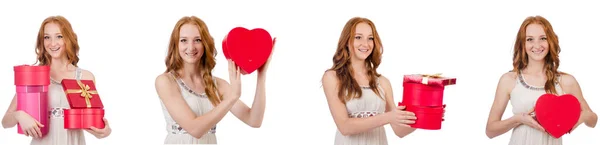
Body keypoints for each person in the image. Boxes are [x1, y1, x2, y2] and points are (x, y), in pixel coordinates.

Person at [155, 16, 273, 144]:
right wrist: (232, 97)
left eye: (197, 40)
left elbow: (254, 120)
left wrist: (261, 75)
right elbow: (195, 129)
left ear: (205, 44)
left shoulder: (219, 85)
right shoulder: (165, 81)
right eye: (183, 40)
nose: (191, 47)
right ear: (175, 44)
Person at [485, 15, 598, 145]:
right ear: (522, 44)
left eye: (543, 38)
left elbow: (593, 121)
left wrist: (583, 115)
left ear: (550, 41)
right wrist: (519, 119)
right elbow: (490, 131)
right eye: (530, 39)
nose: (537, 45)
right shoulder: (509, 80)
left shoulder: (566, 81)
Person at [2, 15, 112, 145]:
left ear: (68, 38)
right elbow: (5, 122)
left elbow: (91, 120)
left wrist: (105, 131)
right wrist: (19, 115)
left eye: (59, 36)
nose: (52, 43)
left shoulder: (86, 77)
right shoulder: (34, 75)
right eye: (47, 37)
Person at [321, 17, 417, 145]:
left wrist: (425, 115)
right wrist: (388, 117)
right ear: (346, 41)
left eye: (370, 38)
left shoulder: (382, 82)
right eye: (358, 37)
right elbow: (344, 126)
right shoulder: (332, 77)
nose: (365, 44)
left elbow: (399, 130)